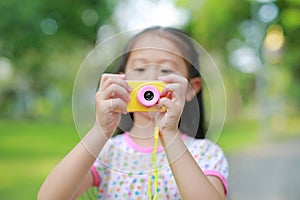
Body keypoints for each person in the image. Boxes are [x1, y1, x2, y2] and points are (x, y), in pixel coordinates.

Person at [38, 26, 229, 200]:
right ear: (121, 80)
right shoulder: (109, 152)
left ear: (190, 88)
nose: (150, 78)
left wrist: (169, 135)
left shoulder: (204, 154)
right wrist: (100, 130)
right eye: (139, 68)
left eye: (165, 69)